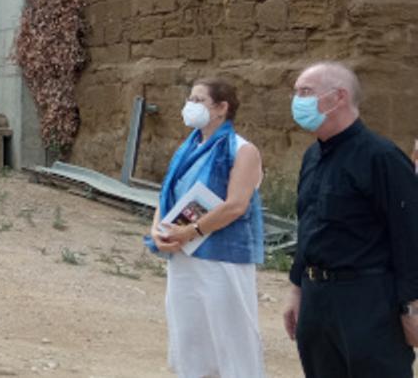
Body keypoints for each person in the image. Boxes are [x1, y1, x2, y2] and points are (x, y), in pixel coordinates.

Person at [282, 62, 418, 377]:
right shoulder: (312, 156)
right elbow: (309, 228)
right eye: (296, 92)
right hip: (317, 297)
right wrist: (296, 289)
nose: (297, 101)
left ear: (338, 97)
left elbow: (409, 235)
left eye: (306, 92)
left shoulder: (380, 157)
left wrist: (411, 307)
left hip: (367, 300)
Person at [147, 78, 266, 377]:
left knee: (229, 335)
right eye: (190, 99)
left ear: (221, 108)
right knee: (191, 334)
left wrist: (190, 231)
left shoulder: (242, 150)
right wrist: (156, 230)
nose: (190, 106)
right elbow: (167, 194)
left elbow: (236, 205)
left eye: (199, 100)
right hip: (185, 256)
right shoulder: (185, 149)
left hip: (222, 258)